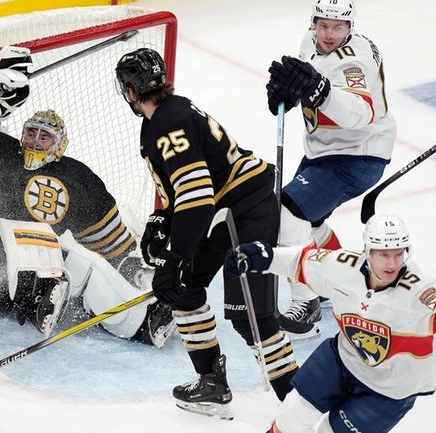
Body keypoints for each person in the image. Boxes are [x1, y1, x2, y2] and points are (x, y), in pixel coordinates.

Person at [0, 46, 175, 347]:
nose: (35, 141)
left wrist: (140, 273)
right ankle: (38, 293)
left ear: (60, 144)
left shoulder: (79, 180)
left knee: (80, 262)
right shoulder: (0, 152)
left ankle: (142, 321)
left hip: (45, 259)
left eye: (45, 136)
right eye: (31, 133)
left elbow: (115, 247)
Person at [115, 47, 299, 419]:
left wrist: (175, 256)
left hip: (247, 207)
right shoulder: (161, 118)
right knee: (182, 290)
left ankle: (303, 402)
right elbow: (187, 189)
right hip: (221, 210)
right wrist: (162, 219)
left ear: (130, 91)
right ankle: (212, 383)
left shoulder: (167, 123)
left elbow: (197, 197)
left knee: (249, 315)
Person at [225, 215, 436, 433]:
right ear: (368, 252)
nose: (393, 263)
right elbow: (298, 260)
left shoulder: (422, 293)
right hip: (343, 359)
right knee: (291, 417)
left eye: (398, 254)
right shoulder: (342, 267)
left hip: (390, 390)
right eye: (384, 254)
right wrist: (260, 257)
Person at [266, 0, 396, 338]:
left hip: (357, 156)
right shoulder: (311, 41)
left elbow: (360, 113)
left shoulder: (354, 60)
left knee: (289, 212)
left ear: (350, 27)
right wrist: (289, 95)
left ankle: (305, 302)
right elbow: (305, 76)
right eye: (323, 25)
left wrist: (317, 90)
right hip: (325, 149)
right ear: (314, 22)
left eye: (337, 27)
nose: (328, 34)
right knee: (311, 219)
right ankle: (337, 280)